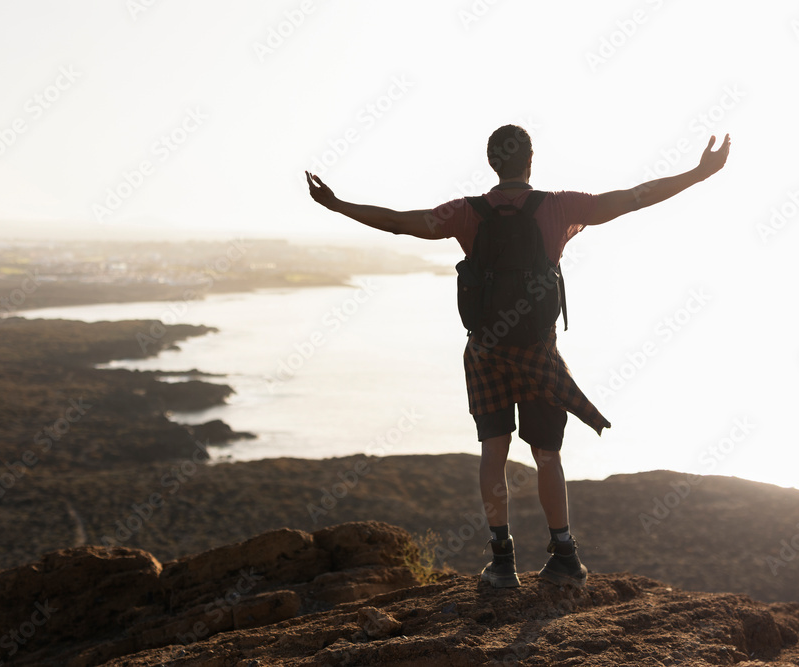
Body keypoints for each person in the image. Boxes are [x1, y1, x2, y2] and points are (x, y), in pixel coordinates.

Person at [305, 124, 731, 588]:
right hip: (538, 350)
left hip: (485, 351)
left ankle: (502, 560)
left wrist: (338, 205)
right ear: (531, 160)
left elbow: (400, 221)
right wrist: (698, 173)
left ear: (492, 163)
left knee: (494, 448)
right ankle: (564, 553)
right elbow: (634, 197)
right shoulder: (560, 206)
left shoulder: (465, 213)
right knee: (547, 454)